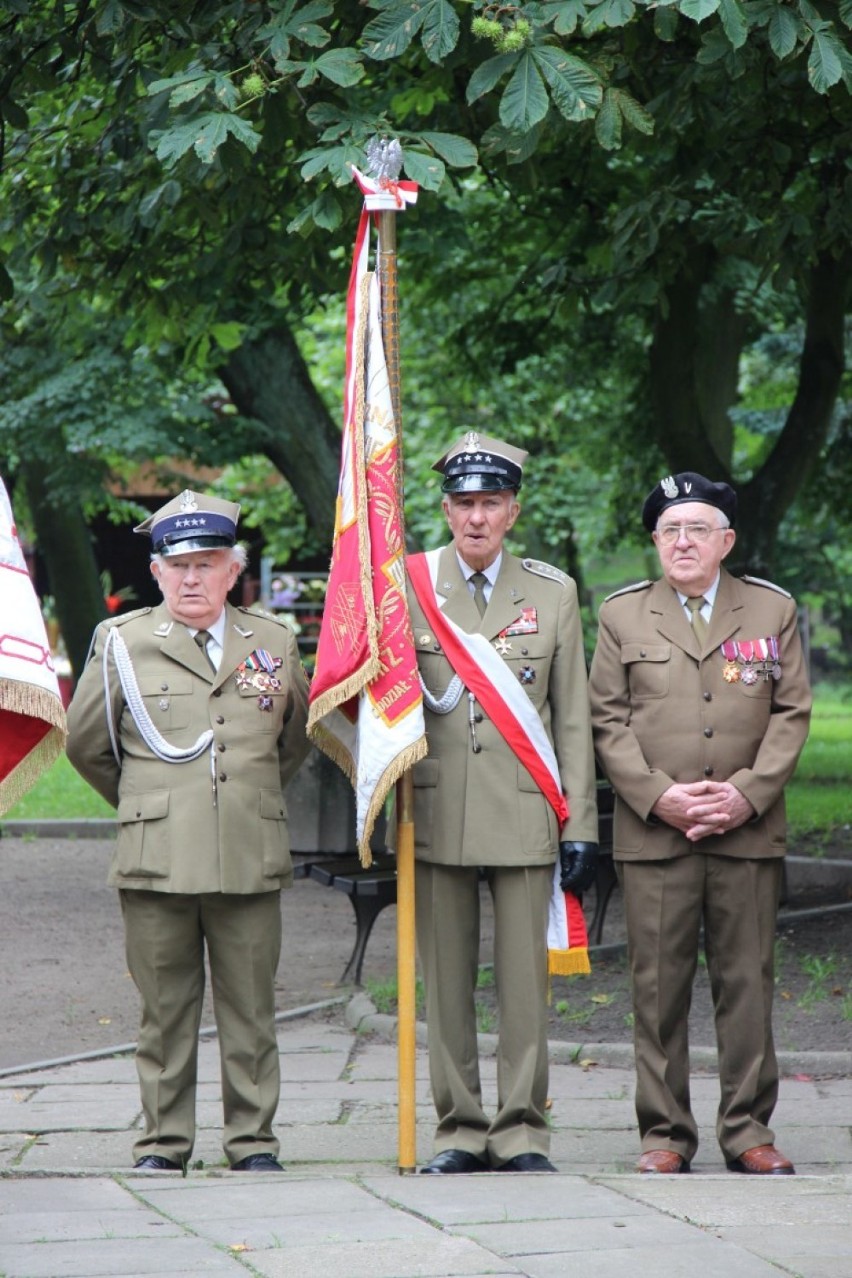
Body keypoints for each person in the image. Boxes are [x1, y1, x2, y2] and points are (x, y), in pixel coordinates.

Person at [66, 490, 309, 1172]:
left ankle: (253, 1142)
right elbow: (88, 746)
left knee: (252, 1011)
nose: (193, 578)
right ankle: (163, 1144)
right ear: (157, 571)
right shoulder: (122, 643)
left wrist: (242, 803)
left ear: (236, 571)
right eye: (180, 565)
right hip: (158, 858)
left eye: (208, 563)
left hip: (247, 851)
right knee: (165, 1013)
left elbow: (290, 745)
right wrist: (153, 801)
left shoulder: (275, 643)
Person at [589, 472, 811, 1176]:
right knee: (657, 987)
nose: (682, 542)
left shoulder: (771, 611)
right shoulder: (622, 616)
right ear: (655, 541)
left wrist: (747, 794)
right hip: (656, 833)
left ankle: (748, 1131)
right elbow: (607, 720)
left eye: (697, 529)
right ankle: (664, 1133)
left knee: (747, 981)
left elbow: (791, 713)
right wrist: (660, 796)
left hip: (747, 831)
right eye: (669, 531)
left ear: (727, 541)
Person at [404, 431, 599, 1174]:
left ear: (513, 510)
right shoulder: (408, 584)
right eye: (463, 504)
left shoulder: (552, 592)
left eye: (490, 503)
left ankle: (521, 1130)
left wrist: (580, 821)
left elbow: (572, 717)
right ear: (447, 510)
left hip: (525, 810)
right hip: (437, 809)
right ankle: (459, 1128)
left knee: (526, 986)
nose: (476, 518)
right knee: (446, 987)